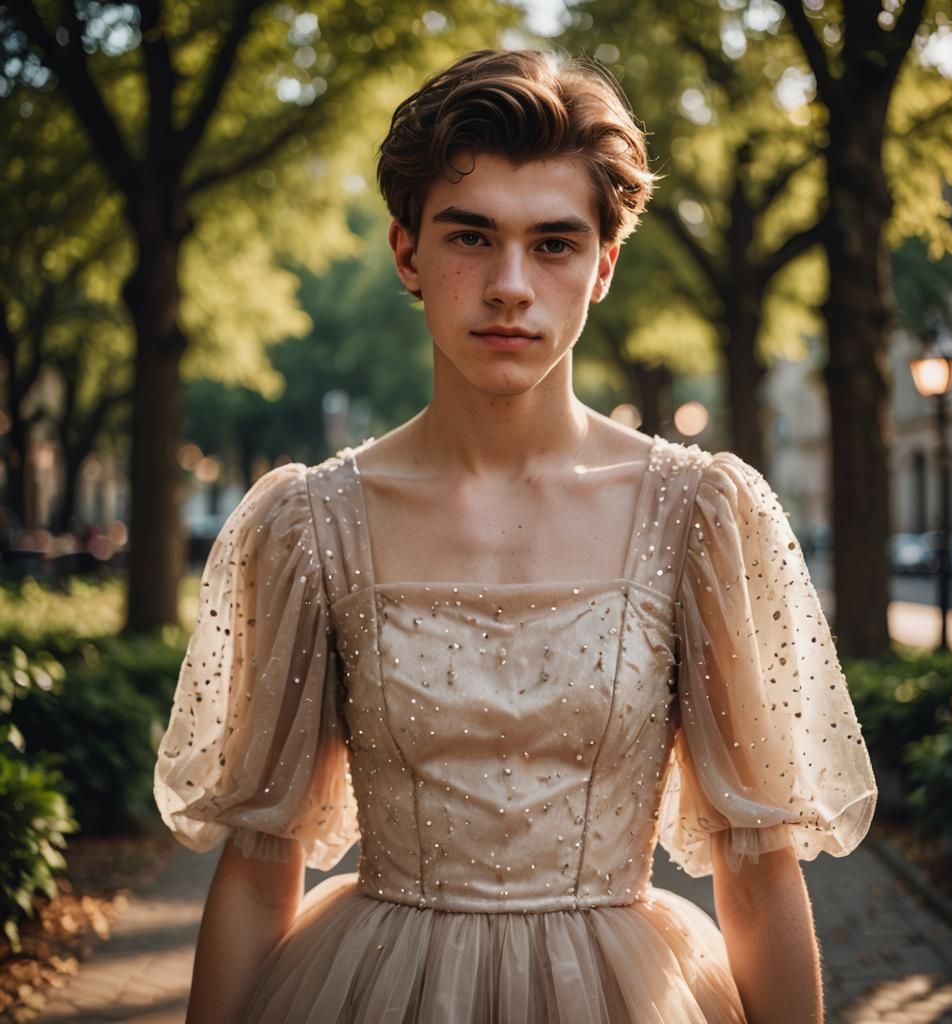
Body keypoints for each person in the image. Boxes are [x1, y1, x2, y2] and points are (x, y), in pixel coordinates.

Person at [153, 48, 877, 1024]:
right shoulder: (308, 523)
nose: (508, 284)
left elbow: (755, 868)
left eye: (552, 243)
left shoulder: (697, 513)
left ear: (603, 265)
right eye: (470, 237)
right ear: (407, 251)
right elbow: (257, 862)